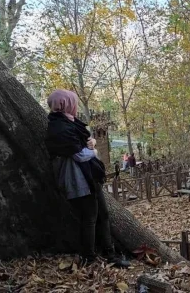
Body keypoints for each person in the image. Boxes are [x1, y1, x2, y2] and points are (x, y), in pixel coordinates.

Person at [44, 89, 130, 268]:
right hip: (77, 179)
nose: (74, 106)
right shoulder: (58, 128)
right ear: (65, 104)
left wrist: (92, 143)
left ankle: (110, 253)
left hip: (89, 176)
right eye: (72, 102)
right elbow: (80, 154)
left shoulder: (70, 122)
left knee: (103, 215)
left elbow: (86, 140)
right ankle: (89, 257)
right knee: (89, 217)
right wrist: (94, 150)